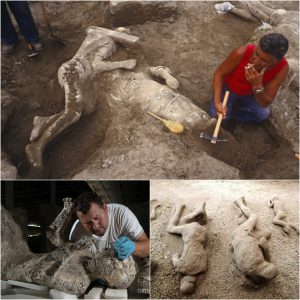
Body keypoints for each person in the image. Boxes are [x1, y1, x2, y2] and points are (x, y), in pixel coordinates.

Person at [210, 33, 289, 126]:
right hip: (229, 90)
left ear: (276, 61)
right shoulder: (242, 52)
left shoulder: (282, 68)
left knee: (262, 115)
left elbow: (265, 102)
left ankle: (234, 117)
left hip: (251, 95)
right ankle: (229, 114)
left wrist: (257, 85)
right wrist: (217, 103)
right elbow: (219, 74)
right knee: (217, 116)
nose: (256, 61)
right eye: (256, 54)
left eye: (264, 61)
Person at [71, 192, 149, 260]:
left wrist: (134, 247)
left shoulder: (122, 214)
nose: (95, 226)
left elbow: (148, 248)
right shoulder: (77, 235)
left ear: (105, 208)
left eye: (96, 218)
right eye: (88, 223)